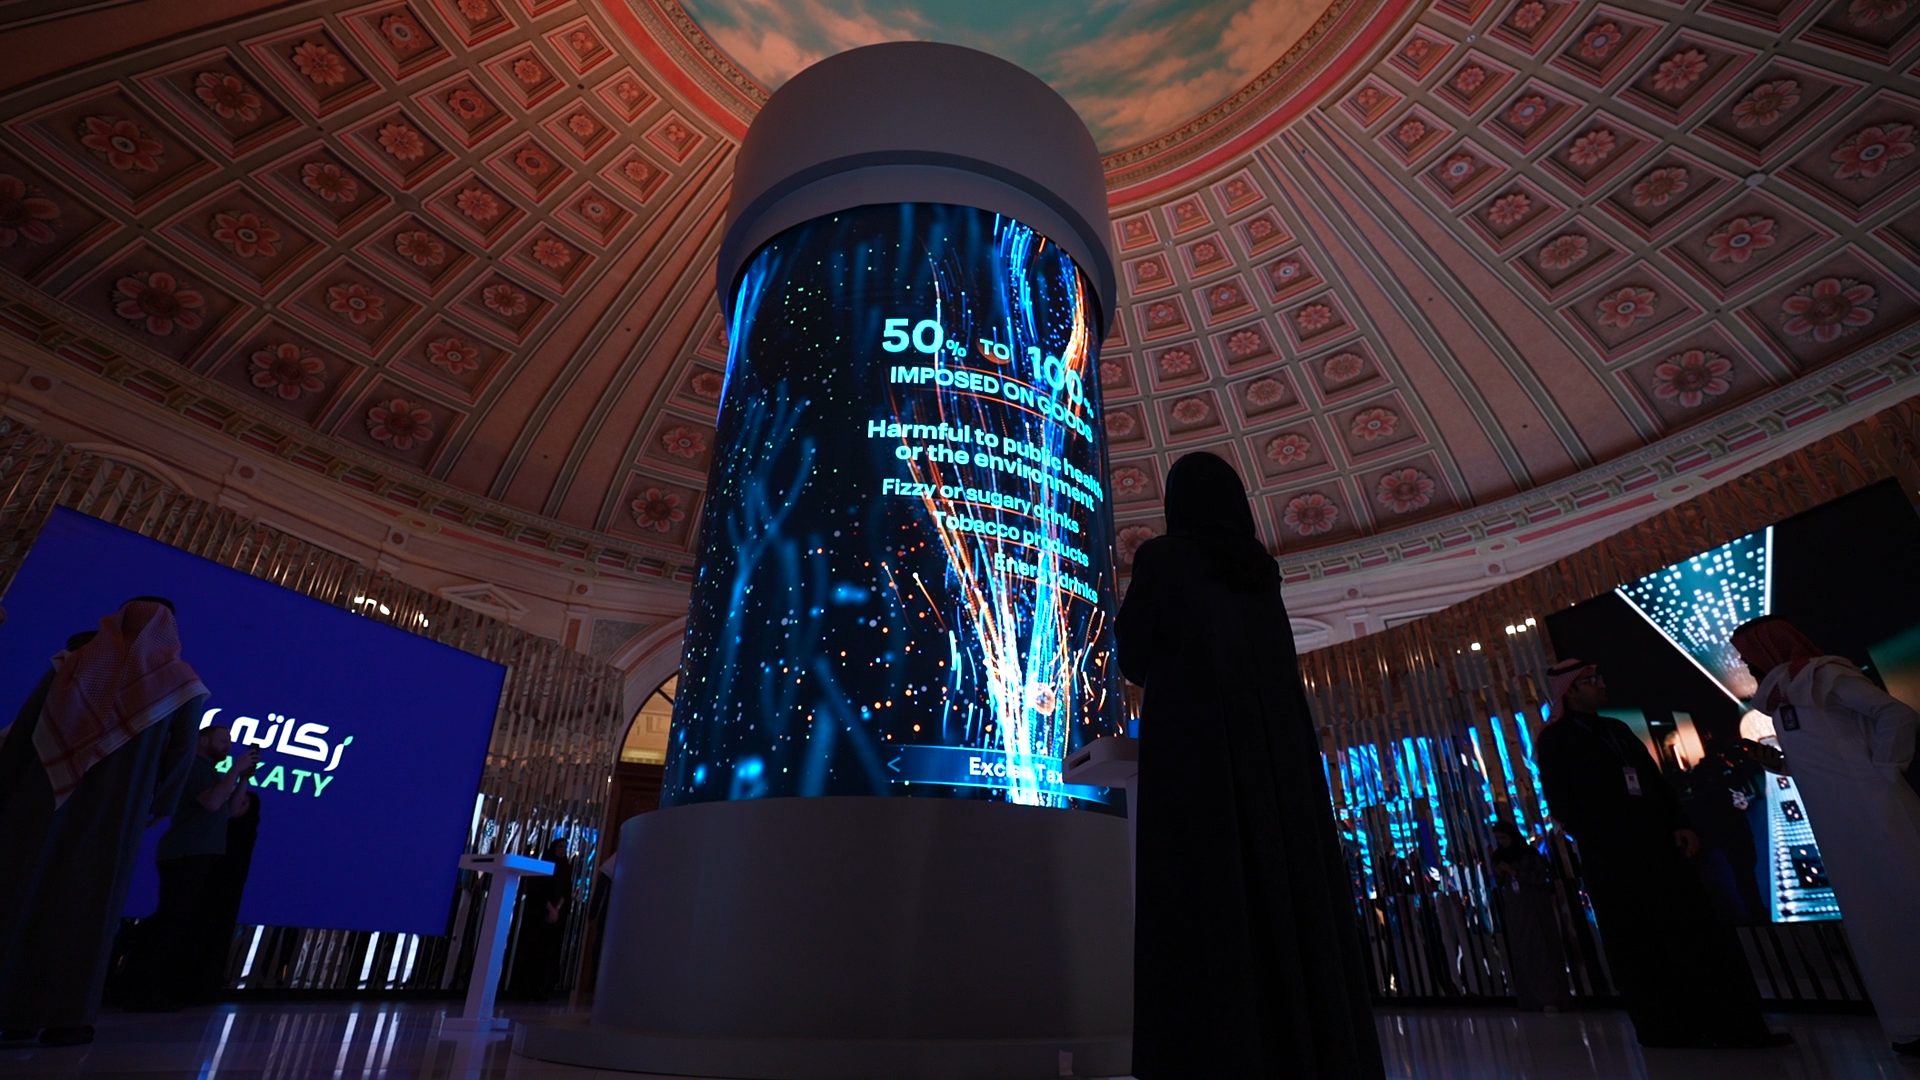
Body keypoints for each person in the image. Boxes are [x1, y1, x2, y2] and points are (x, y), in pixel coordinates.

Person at [1117, 451, 1384, 1079]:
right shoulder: (1261, 571)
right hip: (1275, 761)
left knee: (1203, 894)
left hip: (1195, 756)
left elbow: (1132, 655)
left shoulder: (1163, 557)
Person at [1534, 658, 1786, 1048]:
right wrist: (1601, 833)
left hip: (1657, 844)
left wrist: (1679, 823)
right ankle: (1666, 1028)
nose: (1602, 684)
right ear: (1571, 690)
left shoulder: (1615, 730)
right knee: (1639, 941)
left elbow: (1654, 780)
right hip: (1612, 856)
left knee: (1694, 932)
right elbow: (1562, 801)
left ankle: (1729, 1024)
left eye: (1600, 676)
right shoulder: (1556, 739)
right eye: (1591, 680)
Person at [0, 599, 207, 1045]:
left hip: (41, 802)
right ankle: (66, 1016)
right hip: (116, 809)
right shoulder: (179, 682)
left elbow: (24, 732)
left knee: (22, 894)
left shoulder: (72, 665)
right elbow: (182, 753)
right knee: (91, 906)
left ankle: (13, 1013)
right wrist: (160, 804)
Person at [1731, 617, 1920, 1056]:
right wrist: (1780, 765)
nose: (1746, 663)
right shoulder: (1781, 697)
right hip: (1836, 823)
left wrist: (1883, 773)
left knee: (1907, 898)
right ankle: (1909, 1023)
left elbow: (1895, 715)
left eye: (1748, 653)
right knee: (1873, 917)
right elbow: (1821, 758)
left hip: (1876, 811)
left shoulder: (1824, 675)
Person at [126, 722, 259, 1011]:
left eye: (229, 741)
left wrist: (242, 779)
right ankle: (145, 992)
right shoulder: (195, 767)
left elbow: (232, 810)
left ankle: (158, 990)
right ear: (202, 740)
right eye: (222, 740)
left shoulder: (211, 771)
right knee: (171, 922)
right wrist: (235, 771)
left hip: (201, 854)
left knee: (179, 922)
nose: (228, 746)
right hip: (185, 852)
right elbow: (211, 803)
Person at [187, 785, 260, 1004]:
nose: (236, 806)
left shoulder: (243, 834)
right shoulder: (218, 828)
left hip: (225, 892)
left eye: (243, 803)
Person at [1490, 822, 1571, 1011]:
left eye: (1503, 838)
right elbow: (1500, 882)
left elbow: (1541, 877)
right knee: (1523, 948)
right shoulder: (1499, 856)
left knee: (1541, 946)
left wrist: (1515, 872)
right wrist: (1501, 873)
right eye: (1498, 839)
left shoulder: (1528, 854)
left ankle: (1550, 996)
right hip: (1515, 906)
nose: (1501, 842)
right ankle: (1531, 998)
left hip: (1534, 904)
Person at [507, 838, 574, 1000]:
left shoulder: (565, 868)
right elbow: (538, 891)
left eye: (565, 847)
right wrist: (550, 908)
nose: (562, 850)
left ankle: (544, 988)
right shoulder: (544, 867)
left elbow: (566, 891)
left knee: (550, 953)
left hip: (556, 919)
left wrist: (557, 909)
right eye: (560, 846)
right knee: (535, 950)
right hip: (539, 917)